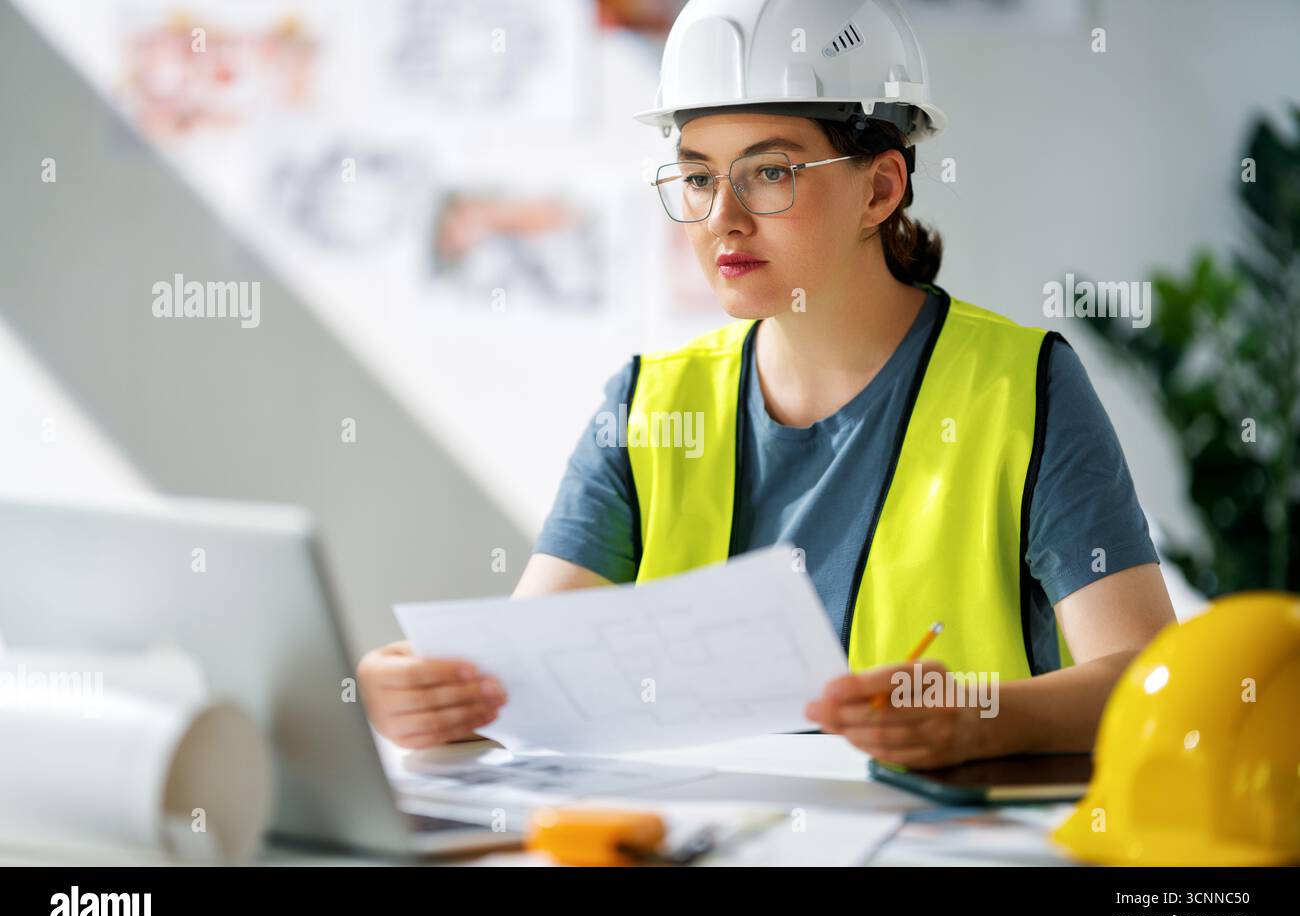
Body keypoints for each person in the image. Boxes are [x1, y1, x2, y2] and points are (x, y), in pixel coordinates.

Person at [358, 0, 1176, 769]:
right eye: (700, 177)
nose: (722, 217)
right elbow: (525, 666)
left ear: (881, 189)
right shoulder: (649, 404)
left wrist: (977, 716)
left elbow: (1146, 677)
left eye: (770, 172)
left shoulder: (1020, 388)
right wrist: (424, 691)